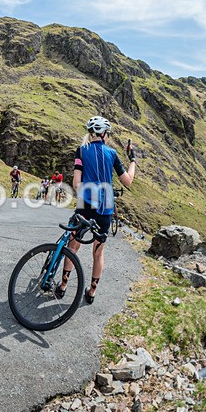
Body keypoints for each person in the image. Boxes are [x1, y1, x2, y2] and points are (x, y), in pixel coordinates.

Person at [56, 116, 136, 304]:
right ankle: (91, 292)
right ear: (105, 134)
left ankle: (62, 286)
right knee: (98, 252)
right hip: (106, 204)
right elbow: (128, 181)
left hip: (86, 203)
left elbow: (77, 183)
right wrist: (132, 160)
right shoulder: (112, 153)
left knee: (73, 247)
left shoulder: (81, 151)